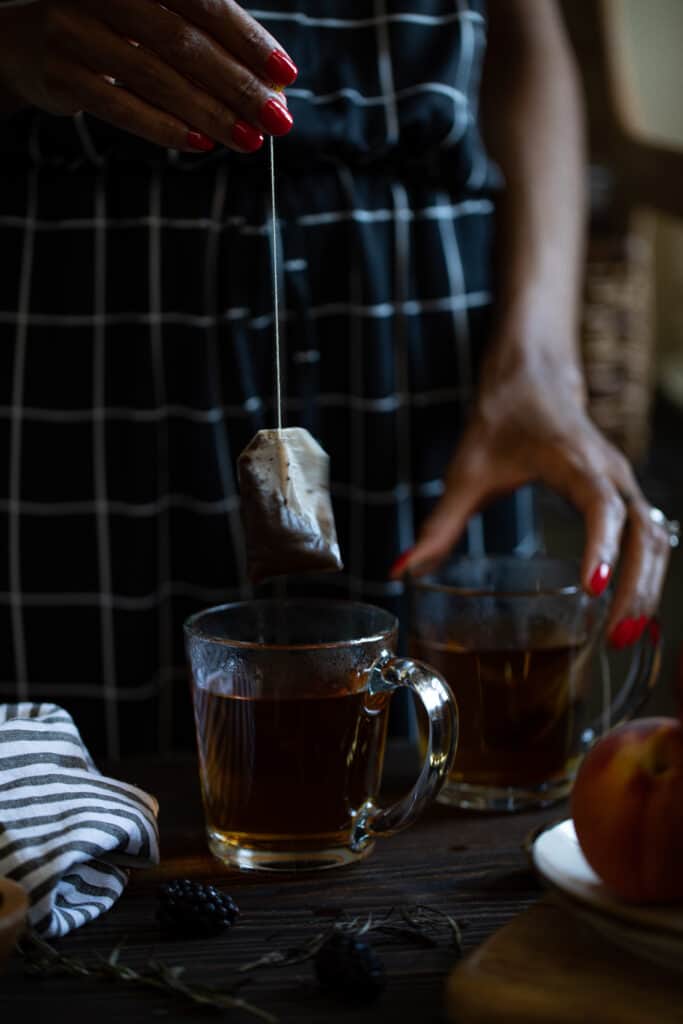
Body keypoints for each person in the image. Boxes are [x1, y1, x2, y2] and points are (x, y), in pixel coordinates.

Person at [0, 0, 673, 758]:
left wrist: (542, 357)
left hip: (424, 331)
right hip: (84, 317)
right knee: (71, 781)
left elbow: (527, 32)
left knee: (442, 758)